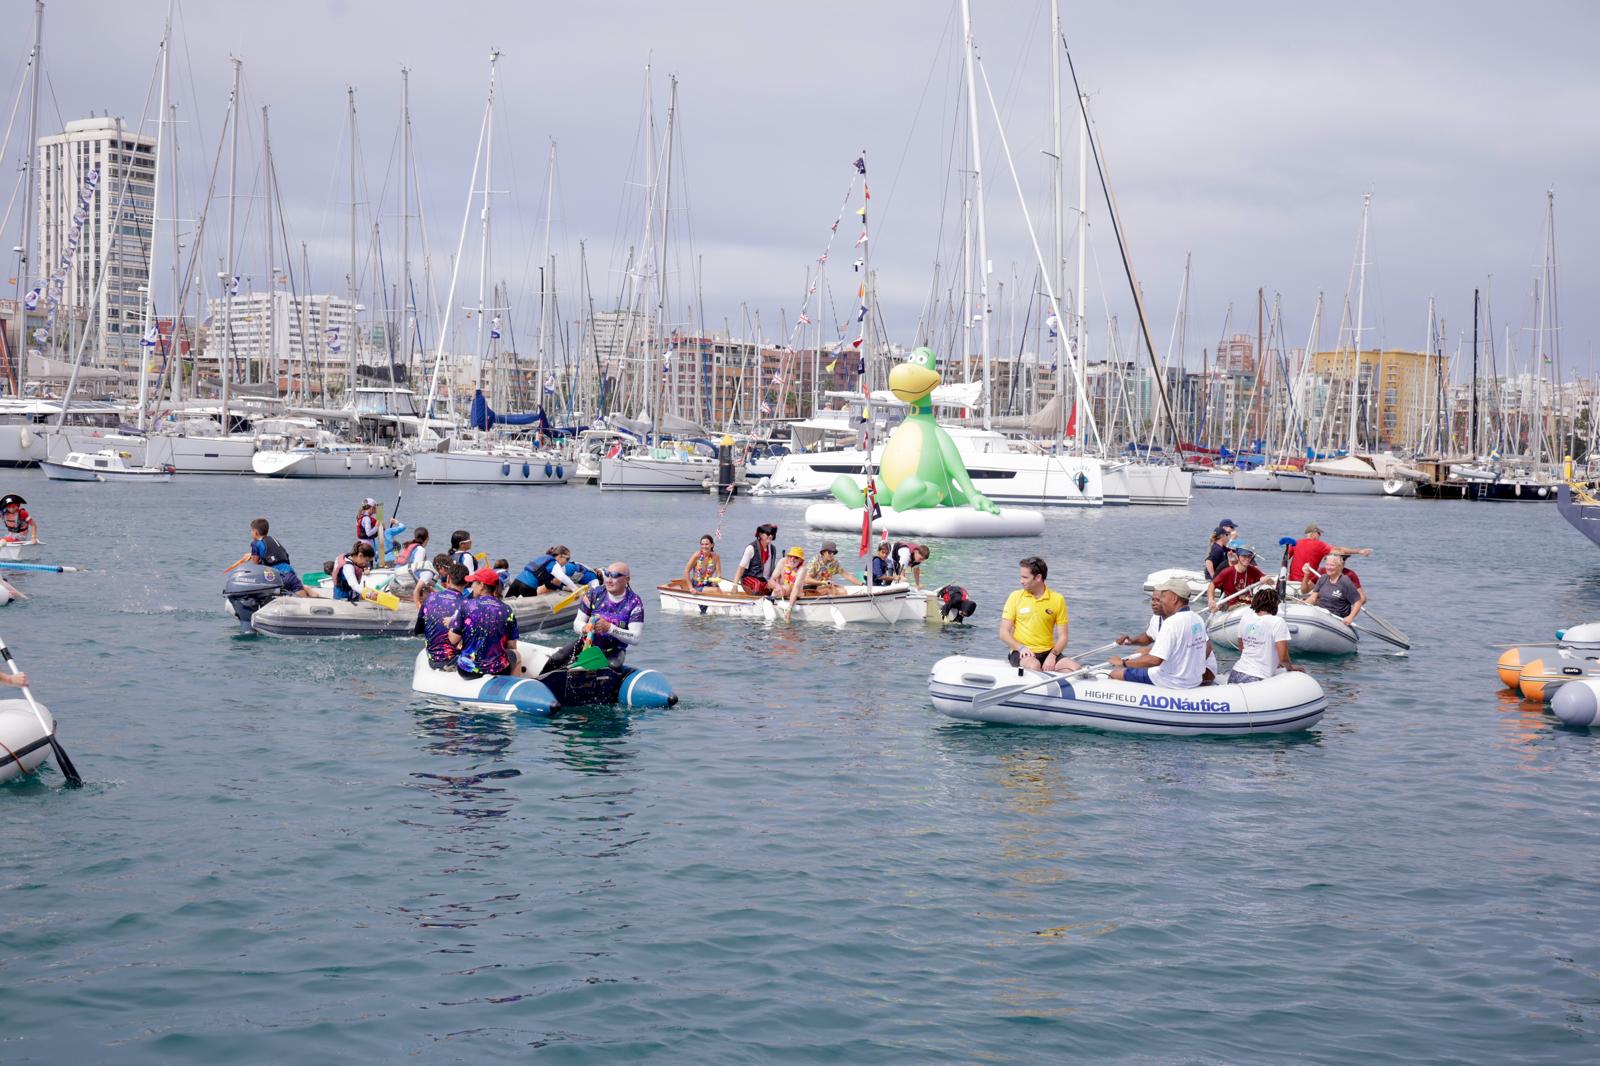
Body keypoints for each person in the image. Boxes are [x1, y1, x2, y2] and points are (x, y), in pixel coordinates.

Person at [1108, 578, 1210, 689]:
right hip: (1193, 680)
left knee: (1115, 674)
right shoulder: (1197, 618)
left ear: (1174, 598)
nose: (1160, 600)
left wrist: (1123, 663)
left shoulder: (1171, 622)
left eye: (1163, 596)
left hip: (1172, 681)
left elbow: (1154, 660)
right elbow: (1206, 647)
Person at [543, 562, 645, 671]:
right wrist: (584, 628)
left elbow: (635, 638)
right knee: (556, 659)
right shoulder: (594, 594)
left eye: (615, 575)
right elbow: (577, 623)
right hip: (586, 644)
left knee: (610, 668)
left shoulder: (634, 602)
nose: (609, 580)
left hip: (613, 650)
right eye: (607, 574)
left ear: (626, 579)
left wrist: (609, 628)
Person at [999, 556, 1076, 671]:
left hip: (1048, 652)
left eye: (1025, 577)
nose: (1021, 581)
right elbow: (1004, 633)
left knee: (1074, 668)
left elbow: (1063, 637)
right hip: (1021, 652)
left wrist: (1053, 655)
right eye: (1021, 576)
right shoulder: (1015, 597)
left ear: (1038, 577)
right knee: (1034, 666)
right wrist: (1020, 648)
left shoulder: (1057, 599)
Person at [449, 567, 520, 677]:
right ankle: (512, 686)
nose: (471, 586)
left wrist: (451, 624)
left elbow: (453, 640)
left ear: (481, 585)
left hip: (468, 671)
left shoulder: (465, 606)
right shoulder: (506, 609)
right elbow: (511, 646)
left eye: (473, 583)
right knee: (516, 655)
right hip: (498, 670)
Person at [224, 517, 311, 597]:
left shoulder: (255, 543)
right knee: (304, 601)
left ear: (255, 532)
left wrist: (251, 558)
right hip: (291, 574)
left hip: (279, 577)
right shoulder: (274, 540)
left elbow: (255, 566)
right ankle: (306, 589)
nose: (251, 533)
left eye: (251, 530)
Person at [1230, 587, 1301, 683]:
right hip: (1256, 677)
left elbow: (1241, 647)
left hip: (1235, 673)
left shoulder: (1245, 618)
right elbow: (1283, 657)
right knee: (1301, 671)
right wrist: (1291, 668)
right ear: (1275, 604)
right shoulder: (1277, 622)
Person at [420, 561, 469, 668]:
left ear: (448, 579)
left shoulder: (430, 598)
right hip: (452, 660)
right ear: (467, 582)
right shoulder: (467, 605)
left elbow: (420, 628)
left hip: (432, 659)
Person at [1290, 523, 1372, 587]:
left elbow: (1286, 558)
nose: (1320, 536)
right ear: (1313, 533)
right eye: (1319, 533)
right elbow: (1339, 550)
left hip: (1292, 581)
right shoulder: (1320, 545)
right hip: (1308, 582)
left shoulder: (1295, 543)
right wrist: (1359, 551)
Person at [1305, 552, 1366, 626]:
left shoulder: (1345, 581)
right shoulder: (1323, 578)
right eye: (1327, 564)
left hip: (1336, 618)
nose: (1329, 567)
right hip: (1321, 613)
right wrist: (1302, 605)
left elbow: (1359, 601)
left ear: (1339, 566)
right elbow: (1313, 598)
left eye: (1332, 565)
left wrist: (1350, 617)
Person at [1207, 546, 1264, 612]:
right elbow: (1212, 584)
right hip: (1230, 603)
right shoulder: (1226, 570)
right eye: (1244, 556)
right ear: (1237, 557)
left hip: (1247, 603)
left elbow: (1269, 580)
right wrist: (1211, 599)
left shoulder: (1253, 570)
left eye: (1249, 556)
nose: (1247, 558)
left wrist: (1266, 579)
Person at [509, 546, 578, 599]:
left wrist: (564, 588)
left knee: (506, 602)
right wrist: (576, 590)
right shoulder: (554, 564)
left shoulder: (543, 558)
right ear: (560, 556)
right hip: (528, 586)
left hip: (517, 582)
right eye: (567, 559)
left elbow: (548, 584)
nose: (567, 562)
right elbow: (563, 577)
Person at [736, 523, 779, 594]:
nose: (770, 536)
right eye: (768, 534)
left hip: (765, 580)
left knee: (777, 587)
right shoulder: (751, 548)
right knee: (757, 585)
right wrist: (735, 585)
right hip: (750, 578)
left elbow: (773, 569)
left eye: (772, 534)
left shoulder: (773, 549)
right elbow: (741, 568)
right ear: (760, 535)